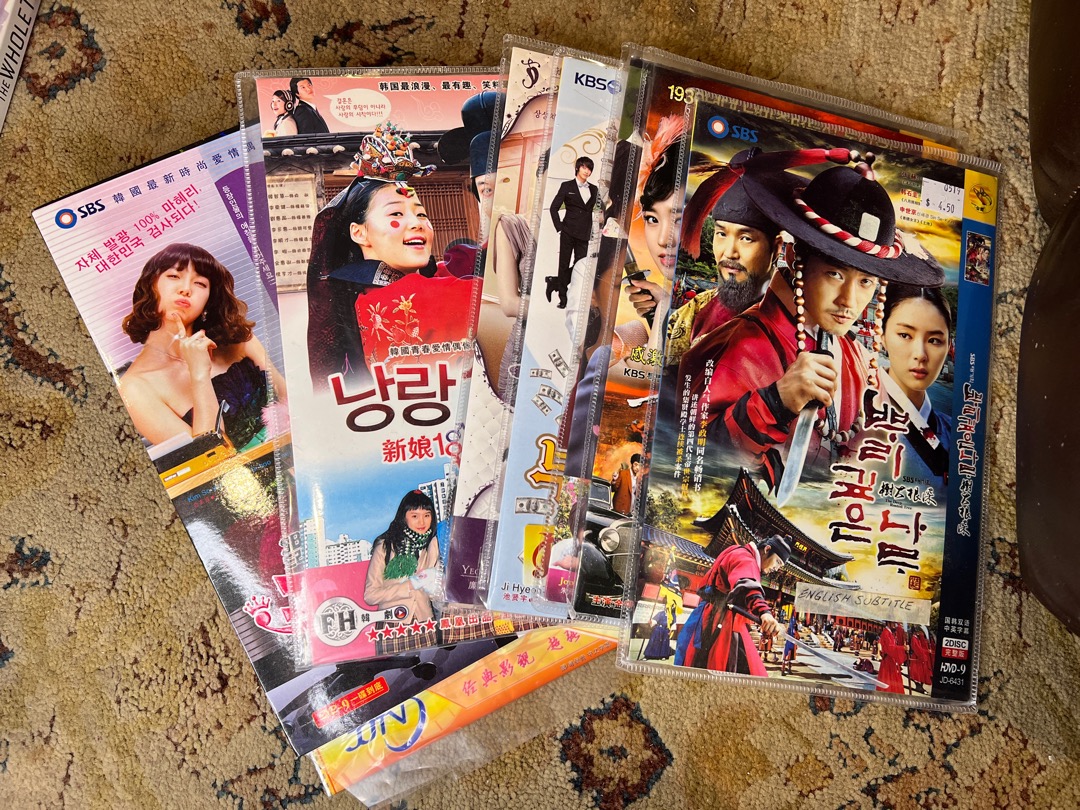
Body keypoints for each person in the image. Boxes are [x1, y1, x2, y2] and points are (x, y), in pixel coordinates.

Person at [678, 148, 944, 493]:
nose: (849, 301)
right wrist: (776, 401)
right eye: (835, 274)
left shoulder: (858, 358)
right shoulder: (740, 346)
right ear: (793, 256)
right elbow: (690, 458)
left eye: (866, 282)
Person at [304, 123, 474, 389]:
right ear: (359, 233)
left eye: (421, 213)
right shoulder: (392, 299)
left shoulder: (366, 290)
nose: (417, 223)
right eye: (396, 213)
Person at [119, 242, 284, 450]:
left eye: (200, 283)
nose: (186, 289)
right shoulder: (134, 388)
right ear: (151, 285)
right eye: (174, 276)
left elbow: (290, 400)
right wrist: (199, 374)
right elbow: (211, 458)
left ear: (209, 299)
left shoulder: (238, 339)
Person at [675, 534, 791, 675]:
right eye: (778, 562)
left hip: (712, 616)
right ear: (767, 549)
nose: (777, 568)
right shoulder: (746, 558)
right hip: (720, 621)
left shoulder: (738, 551)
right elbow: (747, 586)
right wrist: (764, 612)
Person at [880, 283, 953, 487]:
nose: (920, 354)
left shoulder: (956, 433)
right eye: (905, 335)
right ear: (882, 336)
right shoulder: (849, 417)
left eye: (934, 340)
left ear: (948, 346)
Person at [365, 490, 442, 624]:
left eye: (427, 515)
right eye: (414, 516)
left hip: (425, 622)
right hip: (393, 623)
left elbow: (435, 591)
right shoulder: (385, 546)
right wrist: (408, 586)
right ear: (403, 517)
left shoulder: (433, 544)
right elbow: (370, 595)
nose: (422, 522)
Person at [547, 156, 597, 308]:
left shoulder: (594, 189)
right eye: (584, 167)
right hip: (568, 231)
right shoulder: (567, 186)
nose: (587, 171)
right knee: (564, 264)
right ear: (577, 168)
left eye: (589, 169)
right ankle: (563, 298)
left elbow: (598, 209)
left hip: (584, 233)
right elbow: (553, 208)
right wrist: (560, 228)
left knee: (579, 266)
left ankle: (555, 282)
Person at [877, 621, 907, 693]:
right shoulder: (886, 633)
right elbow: (890, 648)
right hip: (888, 661)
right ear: (888, 623)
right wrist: (902, 648)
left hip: (891, 660)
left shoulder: (889, 632)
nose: (894, 625)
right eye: (893, 623)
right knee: (888, 681)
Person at [908, 624, 933, 692]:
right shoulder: (914, 638)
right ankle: (919, 687)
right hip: (917, 658)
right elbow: (917, 649)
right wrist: (925, 653)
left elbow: (920, 648)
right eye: (920, 631)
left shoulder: (916, 638)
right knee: (917, 674)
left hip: (918, 657)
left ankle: (920, 687)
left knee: (921, 674)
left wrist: (926, 651)